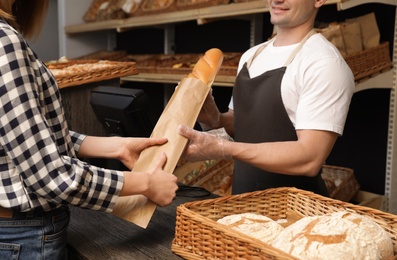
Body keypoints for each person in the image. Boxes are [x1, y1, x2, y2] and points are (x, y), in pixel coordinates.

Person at [0, 1, 178, 259]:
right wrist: (147, 183)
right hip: (23, 236)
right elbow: (50, 177)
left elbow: (23, 138)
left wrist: (116, 146)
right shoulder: (4, 43)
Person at [178, 0, 355, 196]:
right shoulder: (251, 56)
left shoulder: (323, 63)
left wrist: (225, 149)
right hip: (242, 205)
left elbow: (310, 158)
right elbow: (243, 126)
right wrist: (214, 118)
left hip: (293, 215)